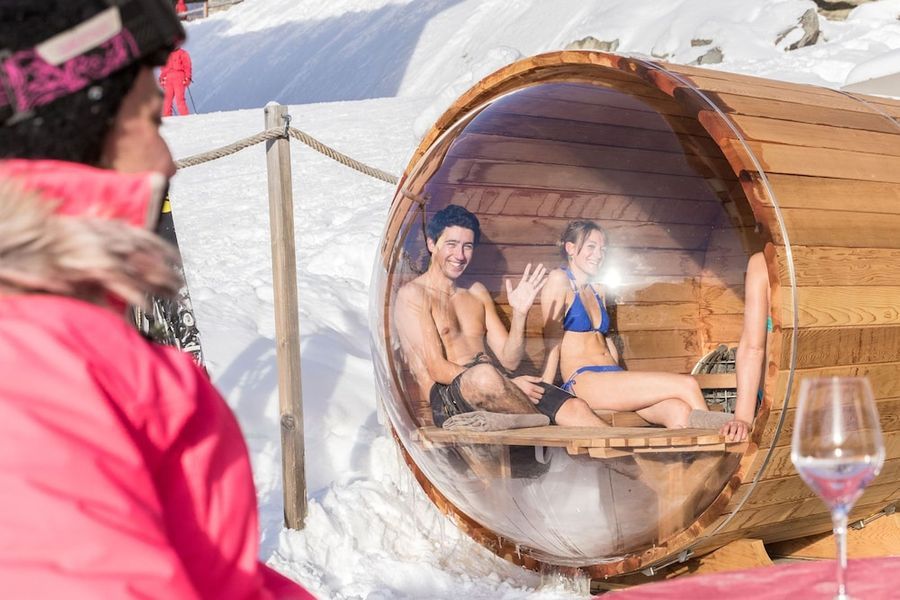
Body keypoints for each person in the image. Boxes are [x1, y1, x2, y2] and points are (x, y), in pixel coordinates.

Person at [0, 1, 312, 598]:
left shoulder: (71, 335)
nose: (168, 160)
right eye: (149, 121)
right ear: (74, 135)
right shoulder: (33, 372)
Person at [395, 204, 607, 428]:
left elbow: (510, 360)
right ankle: (543, 438)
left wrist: (519, 315)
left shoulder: (476, 292)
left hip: (498, 384)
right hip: (450, 396)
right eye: (451, 244)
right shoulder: (414, 295)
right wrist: (507, 384)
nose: (459, 255)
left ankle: (615, 453)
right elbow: (436, 368)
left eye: (467, 246)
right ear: (431, 244)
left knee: (576, 408)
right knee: (485, 376)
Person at [541, 220, 725, 429]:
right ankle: (719, 439)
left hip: (612, 375)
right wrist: (545, 389)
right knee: (687, 384)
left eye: (602, 249)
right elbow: (551, 341)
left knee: (679, 411)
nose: (598, 255)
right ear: (570, 248)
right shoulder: (559, 279)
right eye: (591, 246)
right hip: (584, 380)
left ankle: (687, 450)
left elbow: (606, 341)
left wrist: (620, 373)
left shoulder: (597, 289)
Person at [720, 251, 770, 442]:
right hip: (775, 397)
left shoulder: (763, 263)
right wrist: (742, 419)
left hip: (784, 400)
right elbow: (752, 347)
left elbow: (753, 348)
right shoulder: (763, 263)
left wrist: (742, 419)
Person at [160, 44, 192, 116]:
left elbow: (187, 66)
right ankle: (167, 118)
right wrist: (162, 77)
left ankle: (185, 118)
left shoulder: (182, 53)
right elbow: (163, 68)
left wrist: (188, 77)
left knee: (179, 99)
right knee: (167, 100)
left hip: (179, 77)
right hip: (168, 78)